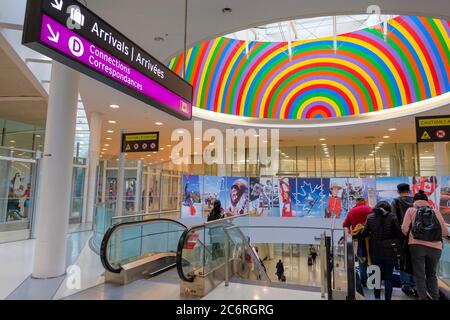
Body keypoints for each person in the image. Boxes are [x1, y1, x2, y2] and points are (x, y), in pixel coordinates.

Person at [401, 190, 449, 300]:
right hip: (435, 247)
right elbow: (445, 232)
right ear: (427, 201)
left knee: (419, 274)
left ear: (414, 200)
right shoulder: (435, 211)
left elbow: (404, 229)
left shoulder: (411, 210)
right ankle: (435, 296)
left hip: (416, 246)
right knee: (431, 273)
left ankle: (423, 297)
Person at [361, 201, 403, 300]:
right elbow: (399, 235)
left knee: (376, 277)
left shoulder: (370, 217)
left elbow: (363, 234)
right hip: (390, 252)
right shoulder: (392, 217)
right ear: (388, 207)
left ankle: (377, 298)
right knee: (388, 278)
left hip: (376, 252)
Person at [391, 183, 416, 297]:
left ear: (398, 191)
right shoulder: (416, 201)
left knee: (403, 260)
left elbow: (394, 219)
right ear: (409, 190)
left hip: (402, 236)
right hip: (417, 236)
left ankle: (406, 285)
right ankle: (416, 283)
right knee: (416, 260)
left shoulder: (395, 202)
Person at [343, 197, 372, 286]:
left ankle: (364, 281)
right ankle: (373, 281)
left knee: (361, 259)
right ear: (365, 201)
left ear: (356, 202)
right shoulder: (370, 209)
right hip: (371, 238)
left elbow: (345, 224)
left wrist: (348, 233)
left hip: (358, 239)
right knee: (372, 259)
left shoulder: (352, 211)